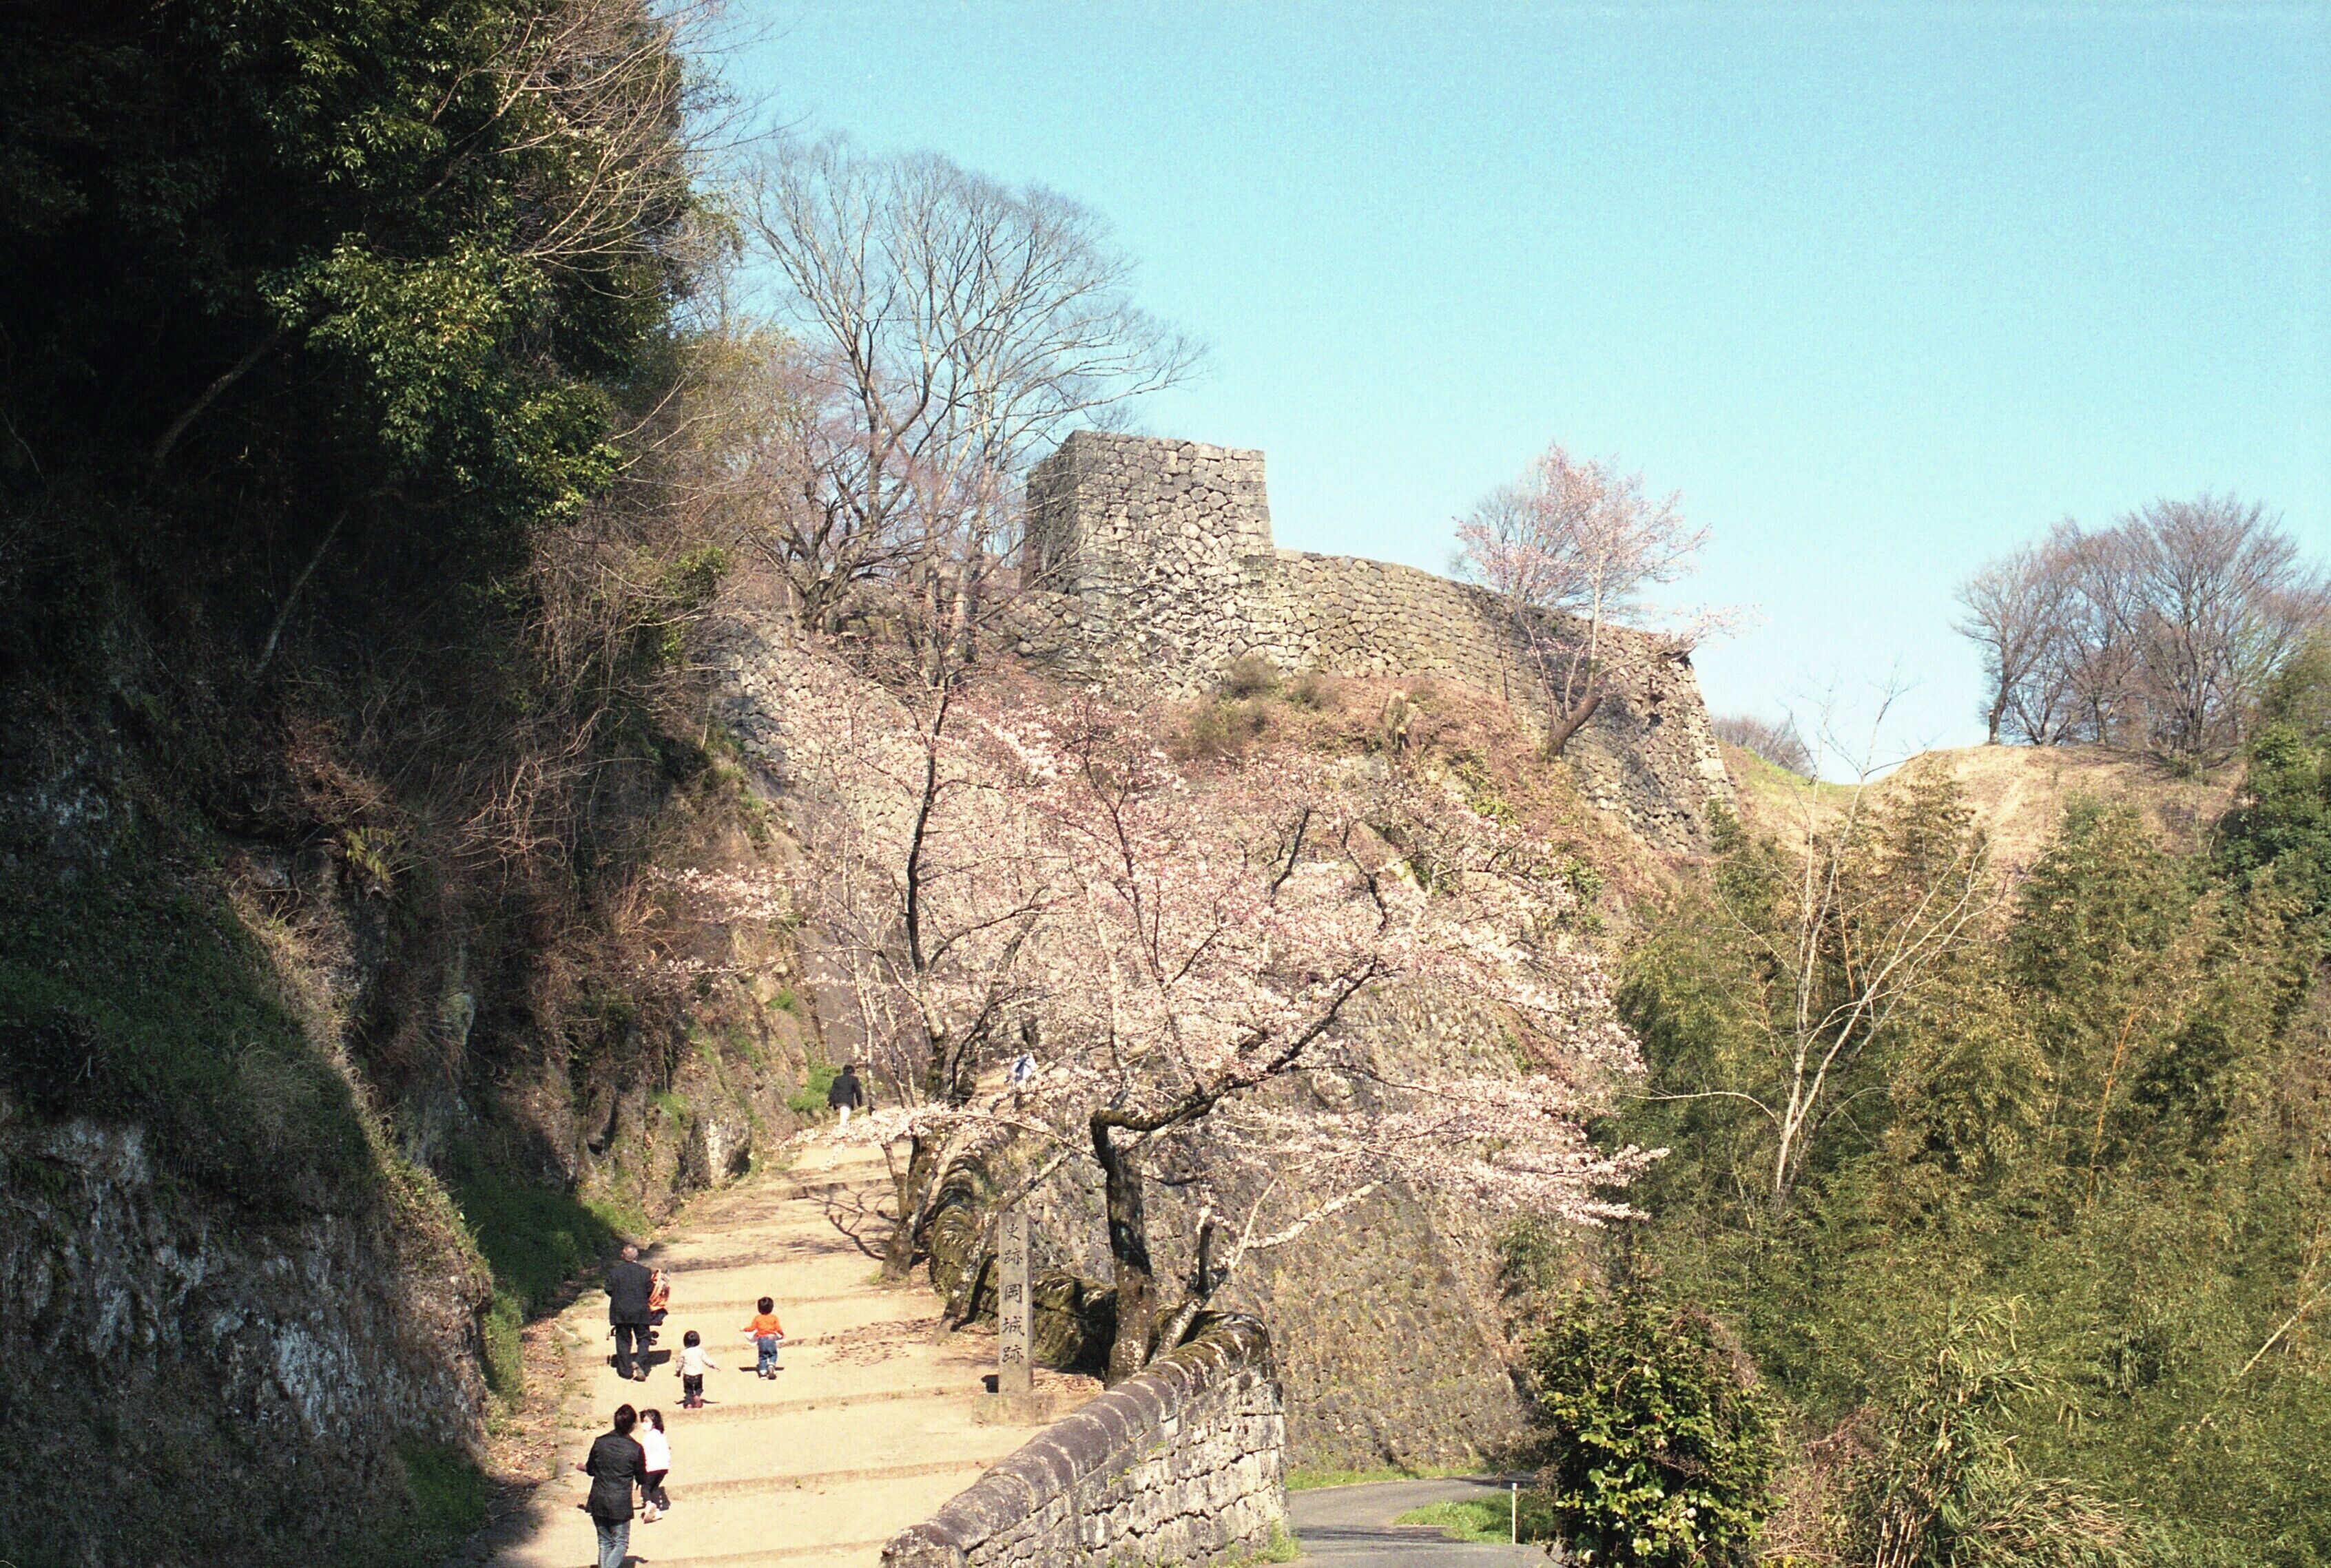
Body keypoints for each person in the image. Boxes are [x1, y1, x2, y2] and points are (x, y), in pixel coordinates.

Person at [577, 1403, 645, 1568]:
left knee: (604, 1542)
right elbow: (642, 1478)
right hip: (620, 1503)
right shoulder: (636, 1449)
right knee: (621, 1543)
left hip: (598, 1499)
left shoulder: (600, 1443)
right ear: (633, 1425)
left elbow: (591, 1470)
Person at [605, 1244, 654, 1381]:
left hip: (621, 1311)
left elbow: (608, 1289)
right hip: (640, 1311)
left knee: (623, 1341)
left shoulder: (614, 1272)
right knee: (644, 1338)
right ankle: (639, 1361)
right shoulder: (645, 1272)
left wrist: (619, 1297)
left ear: (623, 1256)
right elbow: (650, 1290)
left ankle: (626, 1371)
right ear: (637, 1256)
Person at [636, 1409, 670, 1523]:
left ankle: (649, 1504)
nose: (643, 1424)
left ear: (654, 1422)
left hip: (651, 1467)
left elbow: (644, 1453)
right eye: (642, 1421)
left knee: (645, 1487)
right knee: (654, 1488)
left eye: (646, 1421)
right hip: (663, 1467)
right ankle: (657, 1511)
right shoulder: (661, 1435)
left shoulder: (648, 1436)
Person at [740, 1296, 786, 1378]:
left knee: (762, 1356)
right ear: (772, 1308)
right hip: (771, 1338)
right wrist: (782, 1334)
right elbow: (778, 1329)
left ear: (759, 1308)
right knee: (773, 1354)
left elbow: (752, 1328)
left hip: (761, 1339)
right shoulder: (774, 1318)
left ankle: (763, 1373)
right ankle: (771, 1365)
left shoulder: (758, 1318)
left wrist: (744, 1329)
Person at [676, 1328, 710, 1409]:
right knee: (699, 1388)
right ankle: (697, 1396)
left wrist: (678, 1372)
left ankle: (689, 1404)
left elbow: (679, 1364)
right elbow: (707, 1360)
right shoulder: (700, 1351)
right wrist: (714, 1366)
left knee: (688, 1391)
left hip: (687, 1375)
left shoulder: (683, 1352)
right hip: (698, 1374)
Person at [827, 1063, 869, 1127]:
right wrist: (859, 1103)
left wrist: (830, 1101)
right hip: (847, 1101)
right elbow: (858, 1091)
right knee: (844, 1117)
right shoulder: (854, 1079)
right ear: (852, 1072)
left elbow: (833, 1090)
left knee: (843, 1114)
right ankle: (842, 1129)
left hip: (837, 1102)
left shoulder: (837, 1079)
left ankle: (842, 1127)